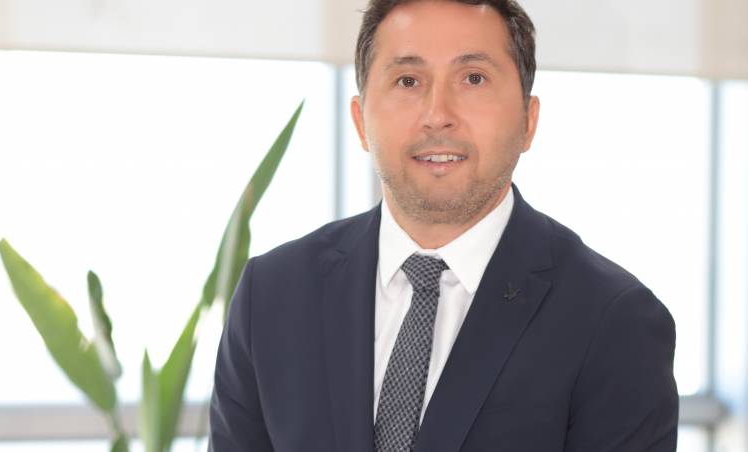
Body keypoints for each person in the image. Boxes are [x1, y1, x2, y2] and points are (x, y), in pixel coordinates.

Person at [208, 0, 679, 450]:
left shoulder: (614, 321)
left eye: (473, 78)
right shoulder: (271, 296)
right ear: (360, 120)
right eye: (408, 80)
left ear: (528, 120)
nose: (438, 116)